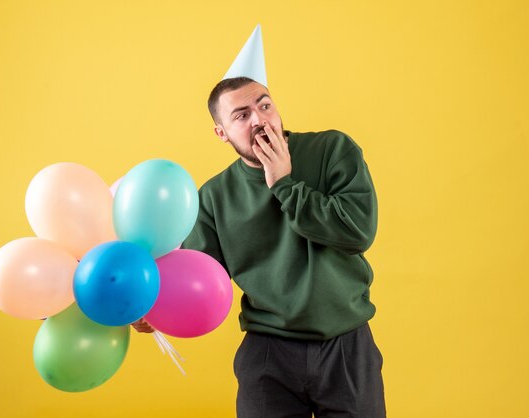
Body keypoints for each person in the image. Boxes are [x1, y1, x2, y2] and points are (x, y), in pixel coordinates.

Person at [133, 76, 386, 417]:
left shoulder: (332, 150)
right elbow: (199, 281)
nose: (259, 119)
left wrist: (284, 184)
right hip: (268, 354)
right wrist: (153, 307)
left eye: (264, 105)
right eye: (241, 115)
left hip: (346, 347)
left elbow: (357, 232)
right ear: (221, 132)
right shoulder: (213, 198)